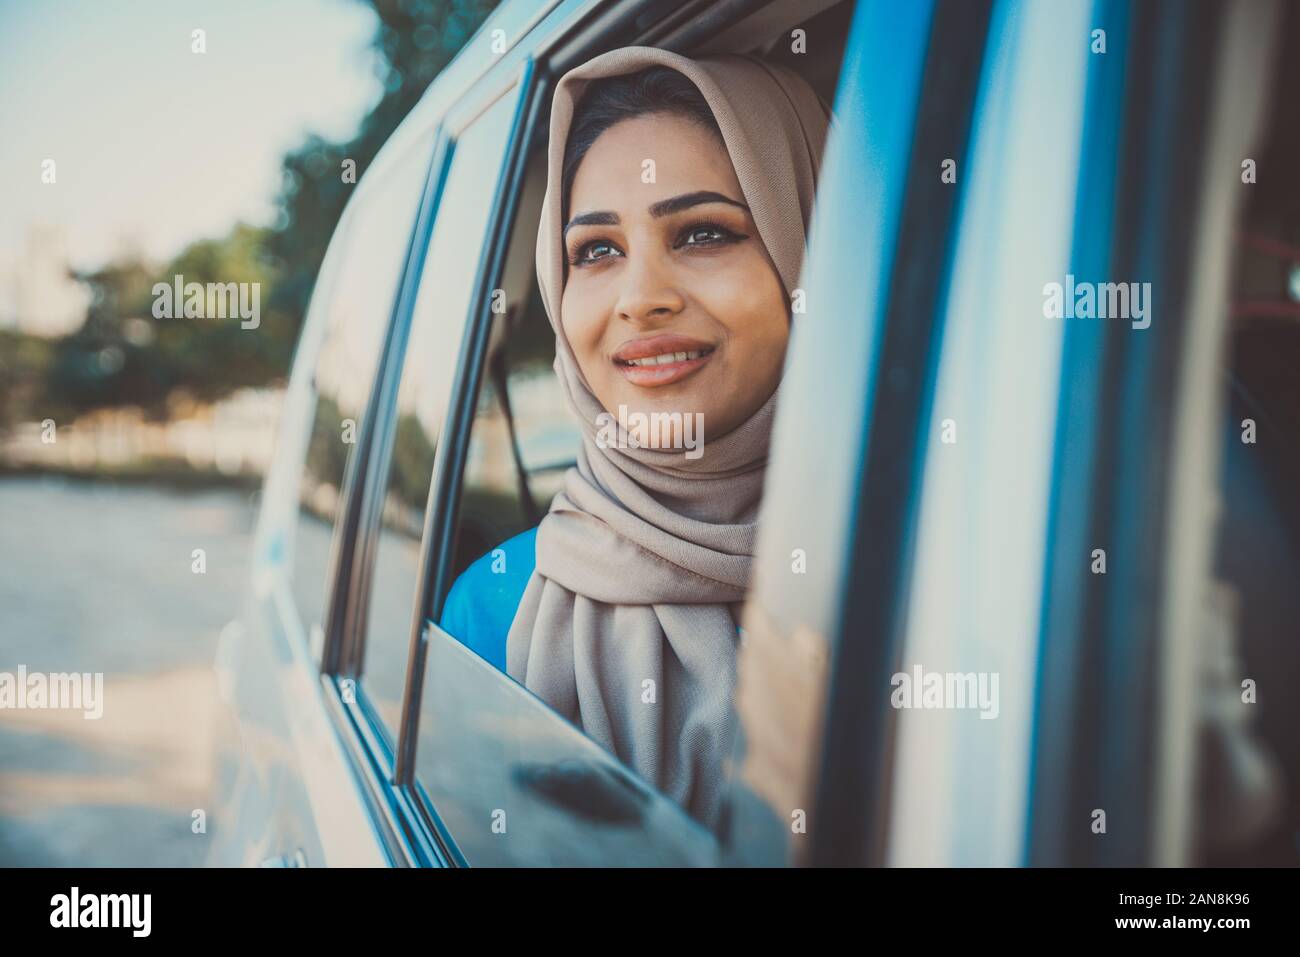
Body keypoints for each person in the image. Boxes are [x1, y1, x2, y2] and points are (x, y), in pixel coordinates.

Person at [440, 45, 830, 829]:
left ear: (812, 247)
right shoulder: (494, 608)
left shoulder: (954, 575)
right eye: (597, 251)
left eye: (702, 234)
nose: (641, 298)